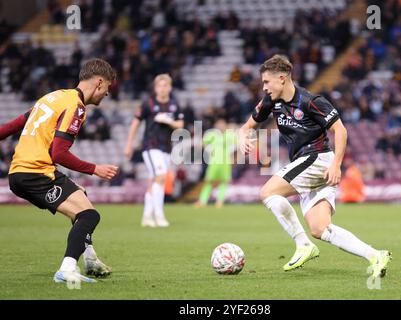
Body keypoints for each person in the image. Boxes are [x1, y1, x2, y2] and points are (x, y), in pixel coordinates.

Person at [238, 55, 391, 278]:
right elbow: (247, 126)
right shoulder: (271, 100)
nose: (264, 87)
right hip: (309, 164)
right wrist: (243, 136)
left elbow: (341, 130)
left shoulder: (310, 101)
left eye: (266, 82)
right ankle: (376, 255)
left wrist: (337, 165)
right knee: (320, 229)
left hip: (318, 158)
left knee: (267, 192)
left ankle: (303, 245)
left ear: (281, 78)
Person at [0, 58, 118, 284]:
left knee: (80, 198)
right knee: (89, 215)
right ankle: (67, 269)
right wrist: (96, 169)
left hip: (19, 172)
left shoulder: (53, 97)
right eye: (108, 89)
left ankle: (91, 259)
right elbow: (59, 154)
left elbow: (12, 126)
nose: (106, 95)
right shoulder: (76, 106)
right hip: (35, 172)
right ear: (99, 83)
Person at [124, 74, 184, 227]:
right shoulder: (148, 103)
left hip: (166, 148)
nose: (163, 88)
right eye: (160, 85)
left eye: (166, 85)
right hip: (151, 146)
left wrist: (169, 121)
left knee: (156, 181)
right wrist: (129, 144)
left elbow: (180, 125)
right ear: (156, 87)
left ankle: (146, 217)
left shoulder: (174, 104)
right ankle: (159, 216)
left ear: (170, 87)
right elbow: (135, 124)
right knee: (161, 176)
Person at [195, 118, 236, 208]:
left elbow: (238, 144)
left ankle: (219, 201)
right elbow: (202, 142)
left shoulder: (230, 135)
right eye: (219, 124)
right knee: (208, 181)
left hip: (225, 162)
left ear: (225, 125)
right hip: (214, 162)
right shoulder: (212, 135)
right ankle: (203, 201)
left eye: (222, 124)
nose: (220, 126)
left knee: (224, 182)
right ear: (216, 126)